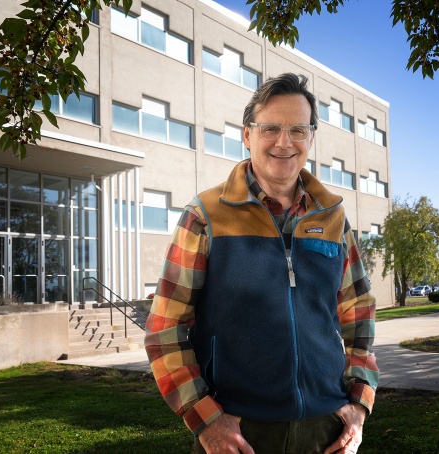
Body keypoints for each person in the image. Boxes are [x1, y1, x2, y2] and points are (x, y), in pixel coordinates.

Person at [144, 73, 379, 454]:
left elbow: (360, 315)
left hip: (327, 431)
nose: (284, 142)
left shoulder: (333, 219)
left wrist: (358, 405)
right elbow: (164, 327)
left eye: (298, 130)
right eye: (270, 128)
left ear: (311, 138)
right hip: (238, 433)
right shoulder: (205, 215)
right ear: (247, 135)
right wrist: (205, 419)